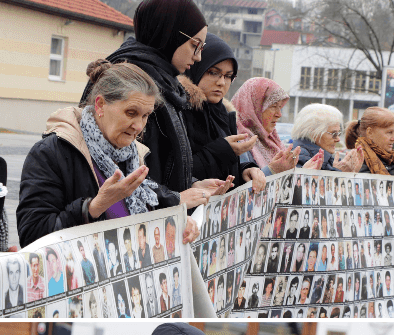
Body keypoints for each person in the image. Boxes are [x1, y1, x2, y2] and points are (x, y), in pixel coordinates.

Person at [18, 61, 208, 245]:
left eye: (145, 115)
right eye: (131, 113)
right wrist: (93, 207)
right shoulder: (51, 153)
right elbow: (32, 235)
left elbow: (145, 210)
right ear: (100, 105)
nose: (139, 126)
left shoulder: (133, 154)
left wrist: (174, 223)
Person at [78, 0, 217, 194]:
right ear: (170, 34)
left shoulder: (167, 83)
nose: (198, 57)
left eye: (202, 47)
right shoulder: (134, 79)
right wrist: (175, 199)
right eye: (195, 45)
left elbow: (162, 165)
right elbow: (118, 172)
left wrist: (190, 183)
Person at [178, 34, 265, 191]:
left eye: (228, 76)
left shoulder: (224, 114)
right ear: (196, 67)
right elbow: (174, 173)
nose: (221, 82)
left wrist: (246, 170)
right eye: (213, 72)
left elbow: (226, 171)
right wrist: (223, 151)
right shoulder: (179, 110)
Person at [234, 77, 303, 173]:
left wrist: (303, 172)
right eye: (273, 106)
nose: (279, 114)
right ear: (253, 108)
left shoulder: (273, 140)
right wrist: (272, 170)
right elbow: (242, 185)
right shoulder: (238, 141)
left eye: (280, 107)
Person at [290, 103, 364, 173]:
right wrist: (340, 173)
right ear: (314, 133)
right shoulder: (301, 156)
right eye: (334, 134)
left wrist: (347, 172)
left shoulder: (322, 155)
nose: (338, 139)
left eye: (338, 133)